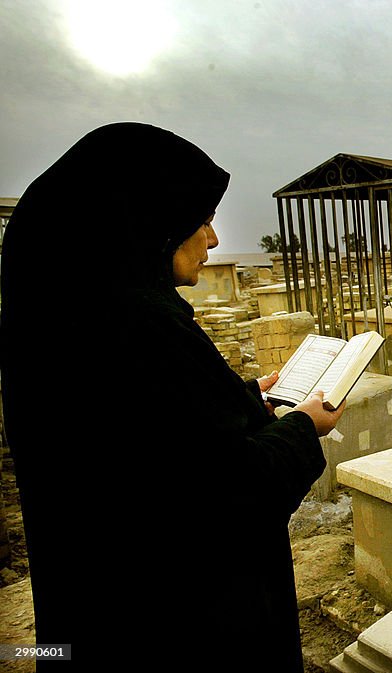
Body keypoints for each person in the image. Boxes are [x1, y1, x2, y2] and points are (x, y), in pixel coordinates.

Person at [0, 123, 345, 670]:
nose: (212, 239)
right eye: (202, 219)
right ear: (151, 222)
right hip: (179, 628)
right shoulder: (139, 327)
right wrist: (305, 427)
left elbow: (160, 436)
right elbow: (226, 492)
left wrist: (241, 398)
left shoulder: (68, 317)